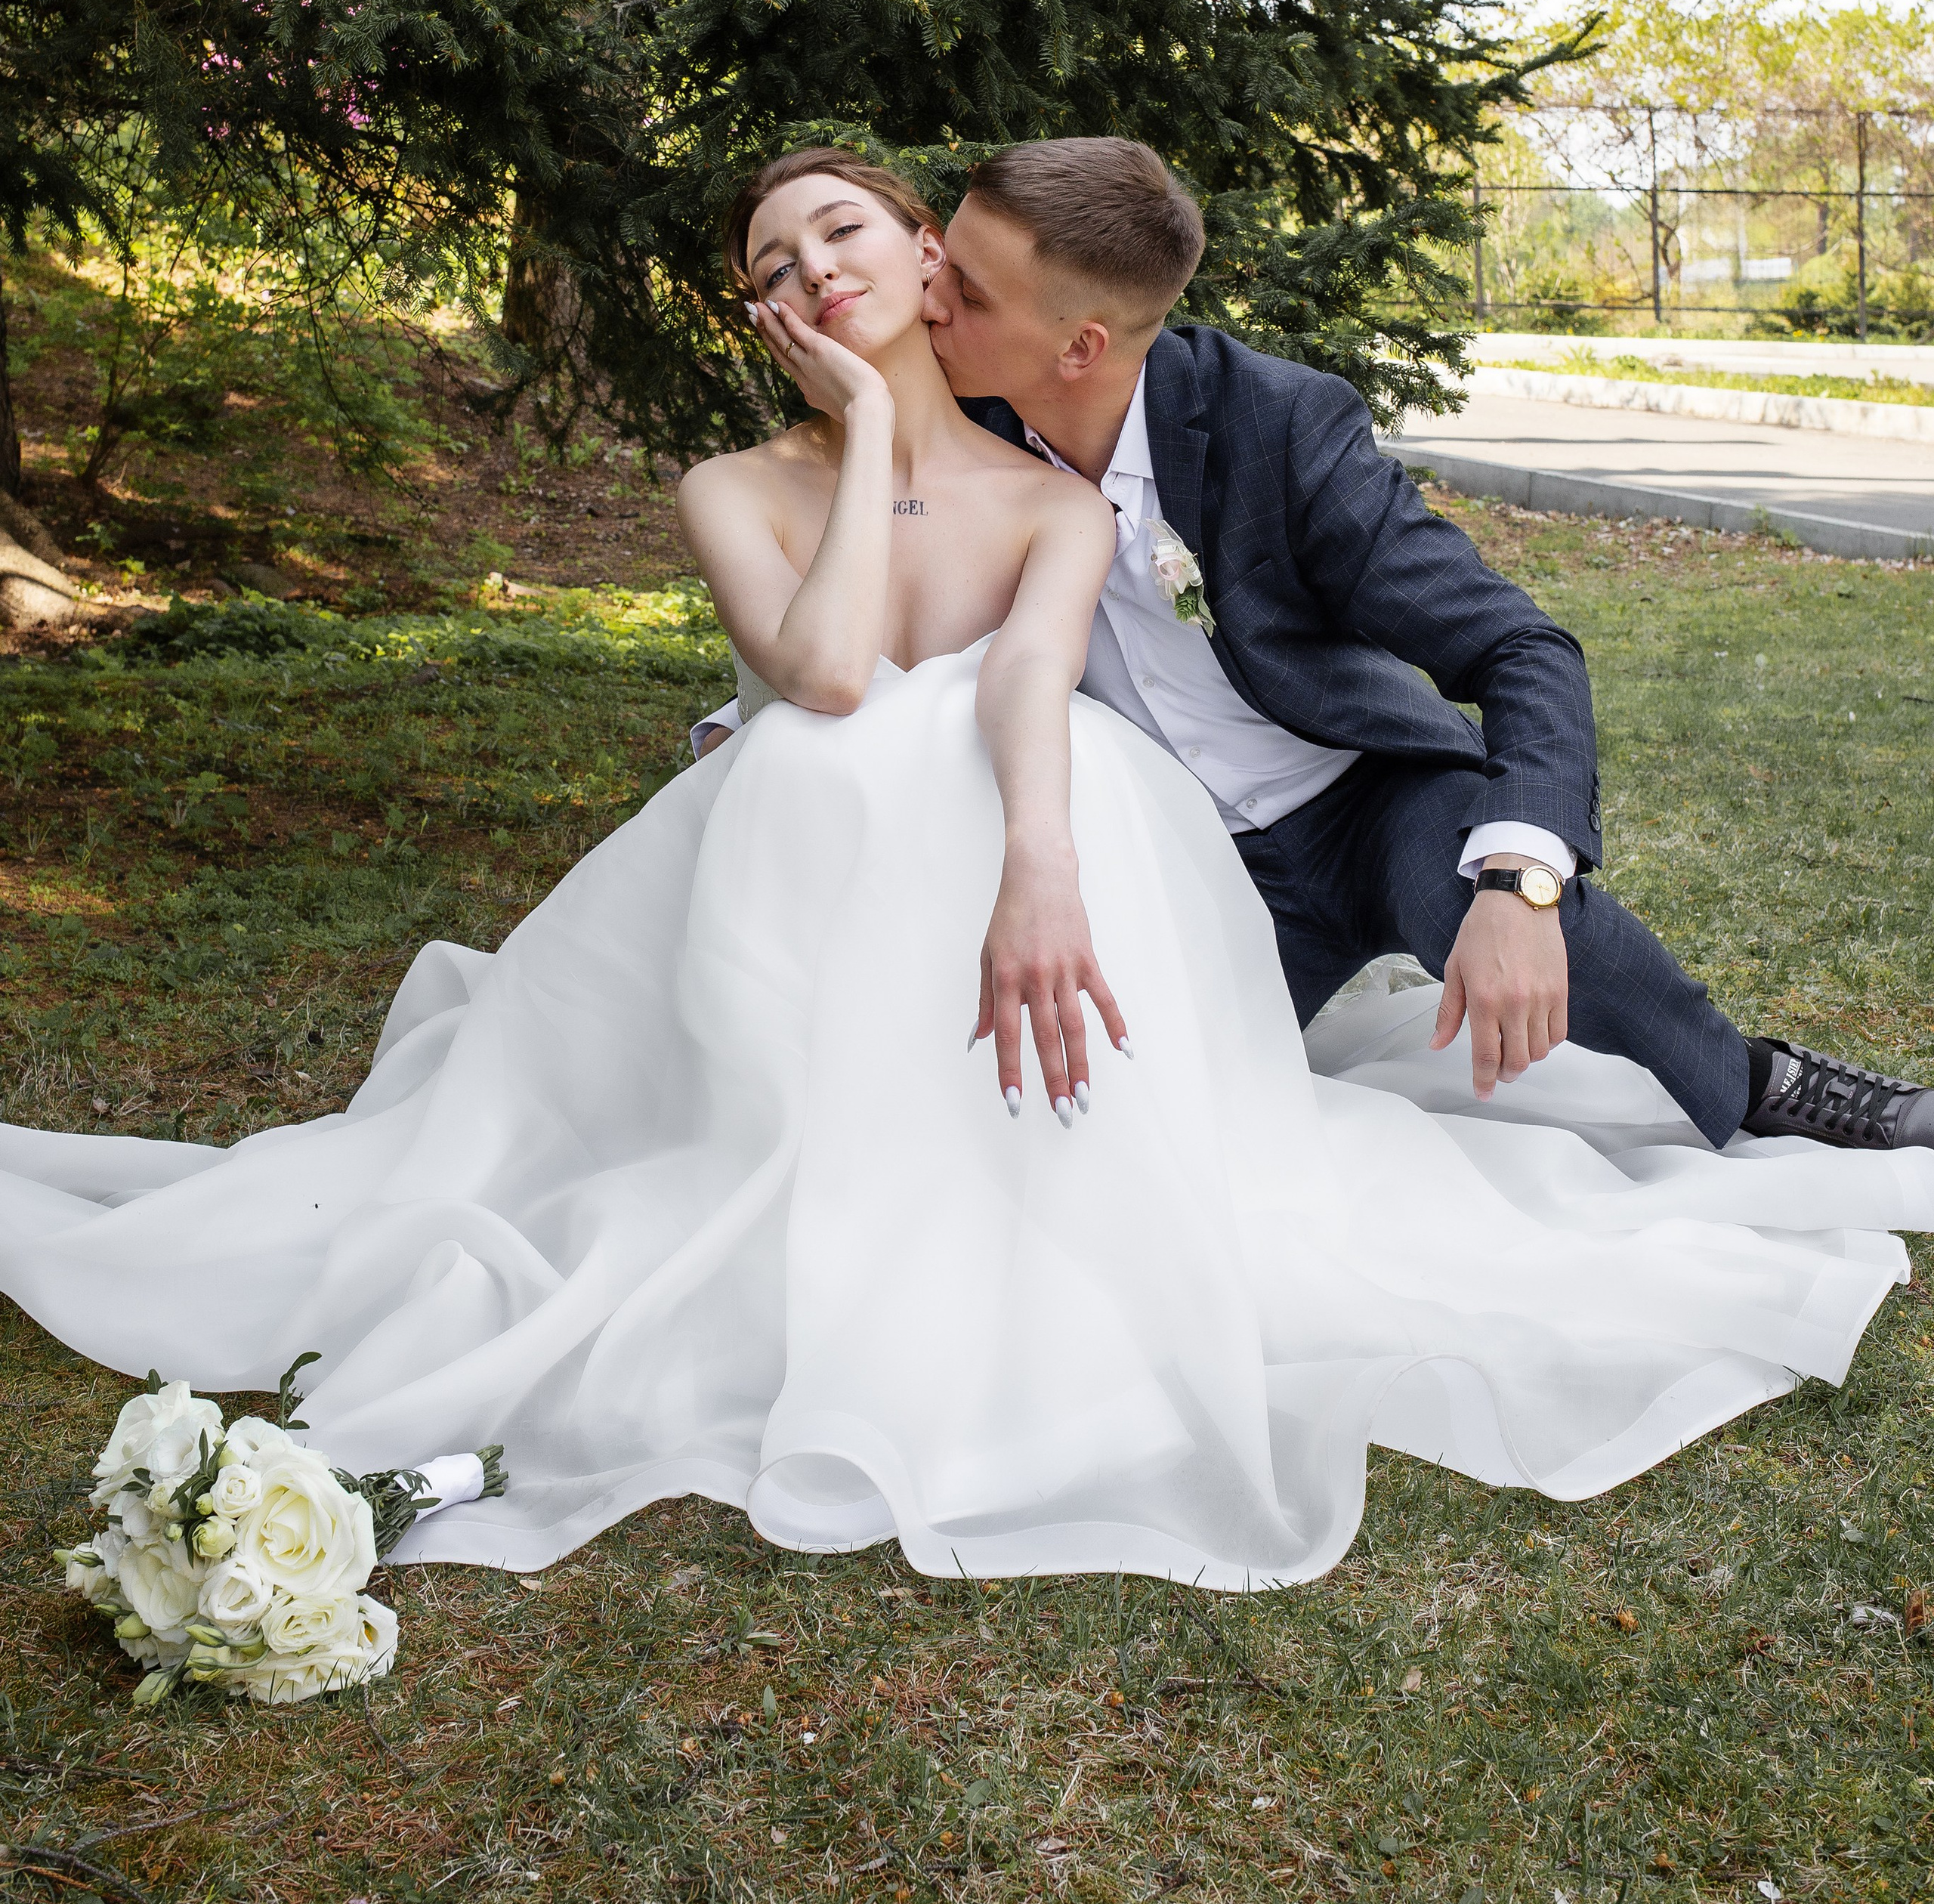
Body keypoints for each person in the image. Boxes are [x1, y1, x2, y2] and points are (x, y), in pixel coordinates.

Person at [4, 146, 1931, 1595]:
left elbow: (1458, 653)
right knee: (1071, 1123)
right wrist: (815, 545)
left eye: (881, 244)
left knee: (1457, 892)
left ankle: (1749, 1082)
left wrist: (1492, 880)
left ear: (990, 298)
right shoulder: (851, 437)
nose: (860, 272)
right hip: (1107, 871)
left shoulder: (1214, 441)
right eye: (798, 259)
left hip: (1304, 805)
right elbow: (843, 659)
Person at [698, 136, 1934, 1163]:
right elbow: (889, 569)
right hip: (1182, 860)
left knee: (1473, 889)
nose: (928, 289)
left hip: (1355, 797)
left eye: (963, 286)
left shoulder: (1277, 427)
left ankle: (1755, 1081)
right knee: (1131, 1129)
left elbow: (1520, 646)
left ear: (1079, 345)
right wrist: (750, 708)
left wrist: (1525, 880)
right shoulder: (948, 396)